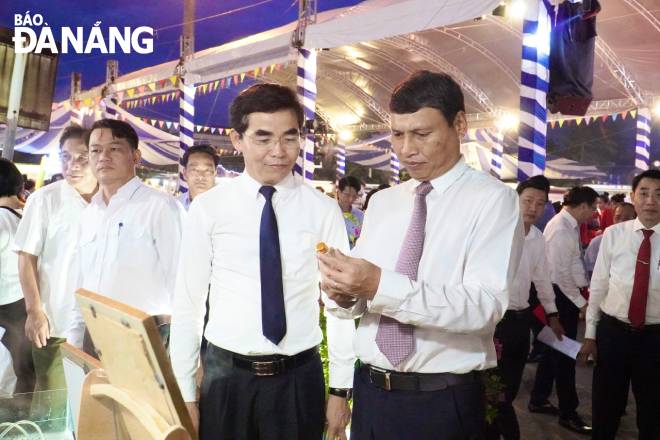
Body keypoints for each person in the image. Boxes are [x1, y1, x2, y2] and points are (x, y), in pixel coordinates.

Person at [318, 70, 524, 439]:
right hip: (371, 394)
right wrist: (344, 293)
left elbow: (483, 306)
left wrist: (380, 285)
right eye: (397, 134)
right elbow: (360, 303)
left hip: (441, 401)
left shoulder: (493, 201)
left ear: (459, 124)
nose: (406, 149)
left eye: (422, 134)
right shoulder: (383, 203)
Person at [170, 83, 356, 440]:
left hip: (299, 379)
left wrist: (340, 388)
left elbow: (337, 303)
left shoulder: (322, 210)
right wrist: (185, 394)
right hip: (225, 378)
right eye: (263, 138)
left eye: (289, 137)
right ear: (236, 139)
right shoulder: (209, 209)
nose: (278, 151)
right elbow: (189, 303)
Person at [72, 119, 183, 352]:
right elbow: (82, 279)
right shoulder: (89, 213)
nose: (103, 157)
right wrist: (76, 334)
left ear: (136, 156)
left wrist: (183, 348)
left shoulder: (160, 207)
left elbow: (181, 281)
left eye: (114, 148)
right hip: (94, 331)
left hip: (144, 333)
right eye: (95, 150)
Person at [14, 125, 98, 418]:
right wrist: (34, 310)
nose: (72, 166)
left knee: (91, 407)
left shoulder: (110, 201)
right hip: (55, 322)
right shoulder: (45, 200)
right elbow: (26, 258)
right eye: (65, 157)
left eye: (81, 158)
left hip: (100, 325)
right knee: (52, 405)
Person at [578, 170, 660, 440]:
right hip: (613, 334)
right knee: (606, 409)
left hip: (655, 338)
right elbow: (599, 286)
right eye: (644, 193)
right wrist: (590, 335)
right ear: (633, 197)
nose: (651, 201)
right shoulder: (614, 235)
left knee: (652, 412)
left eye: (659, 194)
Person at [487, 175, 564, 440]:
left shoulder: (538, 238)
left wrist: (552, 314)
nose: (533, 208)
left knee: (510, 387)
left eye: (540, 204)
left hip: (521, 321)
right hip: (494, 321)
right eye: (528, 201)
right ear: (515, 200)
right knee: (492, 389)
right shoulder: (497, 232)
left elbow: (542, 278)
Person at [528, 185, 598, 435]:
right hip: (557, 298)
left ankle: (538, 399)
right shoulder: (560, 229)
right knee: (566, 356)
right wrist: (581, 302)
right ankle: (569, 413)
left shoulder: (569, 226)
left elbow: (573, 263)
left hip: (561, 295)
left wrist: (585, 289)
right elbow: (560, 275)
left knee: (551, 351)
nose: (594, 213)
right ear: (582, 206)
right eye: (593, 207)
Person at [0, 159, 35, 402]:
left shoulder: (1, 218)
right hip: (22, 305)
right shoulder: (26, 216)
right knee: (23, 373)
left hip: (4, 308)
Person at [584, 202, 636, 276]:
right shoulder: (598, 242)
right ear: (613, 218)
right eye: (617, 217)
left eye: (627, 218)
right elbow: (590, 270)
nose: (621, 222)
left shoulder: (640, 242)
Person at [178, 144, 220, 211]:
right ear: (185, 174)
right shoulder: (174, 206)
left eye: (207, 170)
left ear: (215, 174)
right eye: (194, 170)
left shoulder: (227, 208)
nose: (201, 177)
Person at [336, 176, 364, 248]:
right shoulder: (329, 212)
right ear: (339, 192)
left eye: (354, 196)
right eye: (347, 195)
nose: (351, 199)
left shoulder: (360, 216)